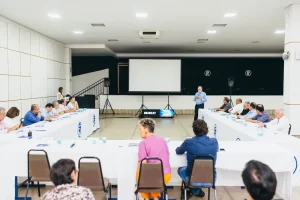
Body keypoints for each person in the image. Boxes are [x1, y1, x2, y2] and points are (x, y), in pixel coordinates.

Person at [176, 119, 218, 198]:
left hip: (192, 179)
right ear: (206, 129)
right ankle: (196, 191)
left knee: (181, 170)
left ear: (194, 130)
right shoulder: (214, 142)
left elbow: (178, 151)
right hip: (211, 178)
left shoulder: (188, 142)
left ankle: (194, 191)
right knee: (199, 169)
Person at [136, 118, 171, 200]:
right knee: (153, 179)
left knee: (140, 173)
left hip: (154, 178)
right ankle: (155, 197)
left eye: (140, 129)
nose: (139, 131)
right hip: (166, 176)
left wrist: (138, 184)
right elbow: (168, 156)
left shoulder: (143, 143)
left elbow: (143, 164)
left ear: (146, 130)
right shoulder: (162, 140)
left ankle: (146, 197)